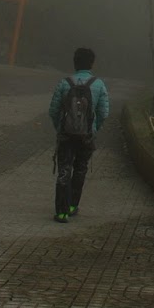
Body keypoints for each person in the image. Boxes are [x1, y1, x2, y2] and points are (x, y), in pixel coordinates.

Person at [48, 46, 110, 222]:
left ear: (75, 63)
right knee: (80, 170)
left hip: (66, 135)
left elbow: (53, 110)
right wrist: (93, 128)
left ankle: (61, 212)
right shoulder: (98, 84)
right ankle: (73, 205)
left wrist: (61, 128)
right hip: (86, 137)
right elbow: (104, 112)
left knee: (64, 171)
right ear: (91, 63)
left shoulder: (64, 82)